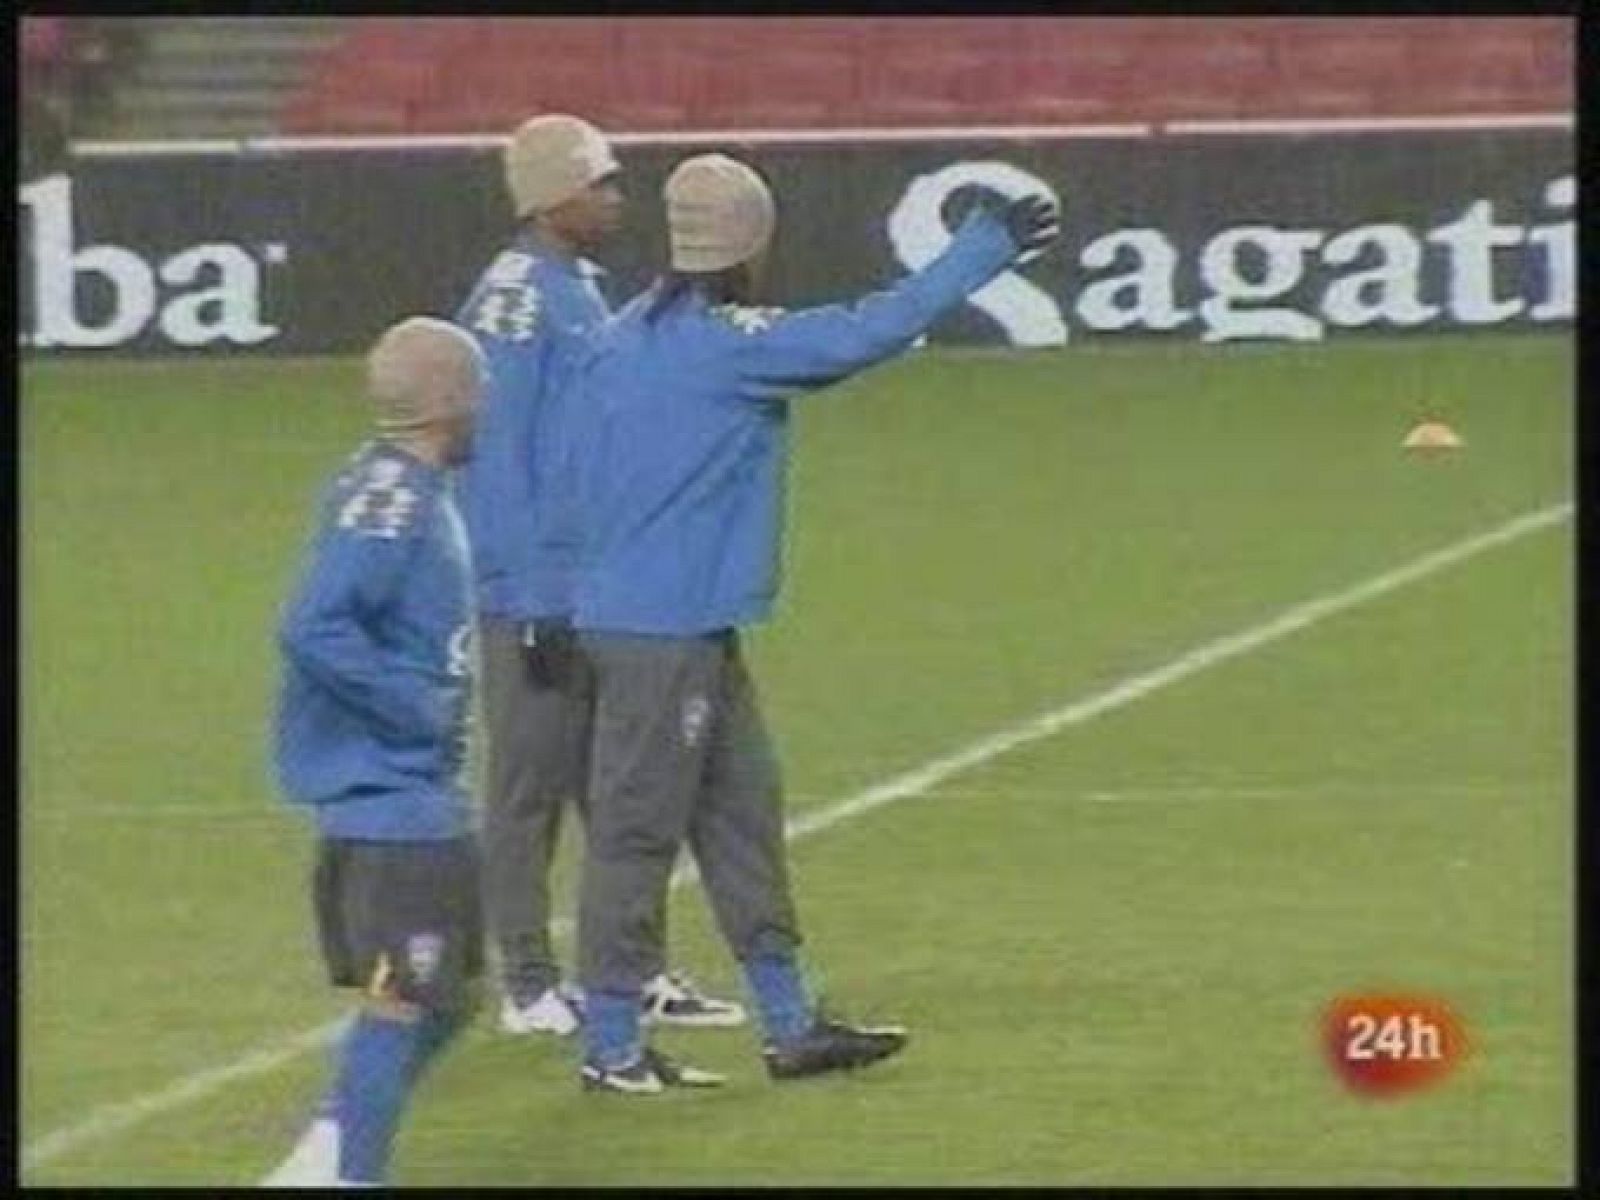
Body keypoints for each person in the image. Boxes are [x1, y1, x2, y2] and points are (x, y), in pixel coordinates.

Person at [568, 154, 1060, 1092]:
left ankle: (792, 1025)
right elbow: (866, 333)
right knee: (636, 837)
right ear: (749, 240)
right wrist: (984, 250)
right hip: (663, 632)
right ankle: (613, 1046)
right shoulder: (727, 342)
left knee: (741, 815)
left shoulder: (627, 334)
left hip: (673, 622)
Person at [455, 113, 744, 1037]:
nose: (617, 197)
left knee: (621, 787)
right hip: (534, 594)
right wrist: (534, 595)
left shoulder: (569, 285)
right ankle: (530, 983)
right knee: (530, 787)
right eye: (601, 183)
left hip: (595, 584)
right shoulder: (516, 303)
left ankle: (632, 970)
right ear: (551, 199)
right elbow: (499, 462)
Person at [264, 317, 488, 1187]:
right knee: (404, 1001)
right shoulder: (395, 507)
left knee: (447, 996)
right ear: (452, 403)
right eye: (477, 390)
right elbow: (312, 622)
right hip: (394, 803)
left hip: (401, 798)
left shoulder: (382, 481)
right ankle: (352, 1174)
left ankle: (327, 1150)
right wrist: (417, 706)